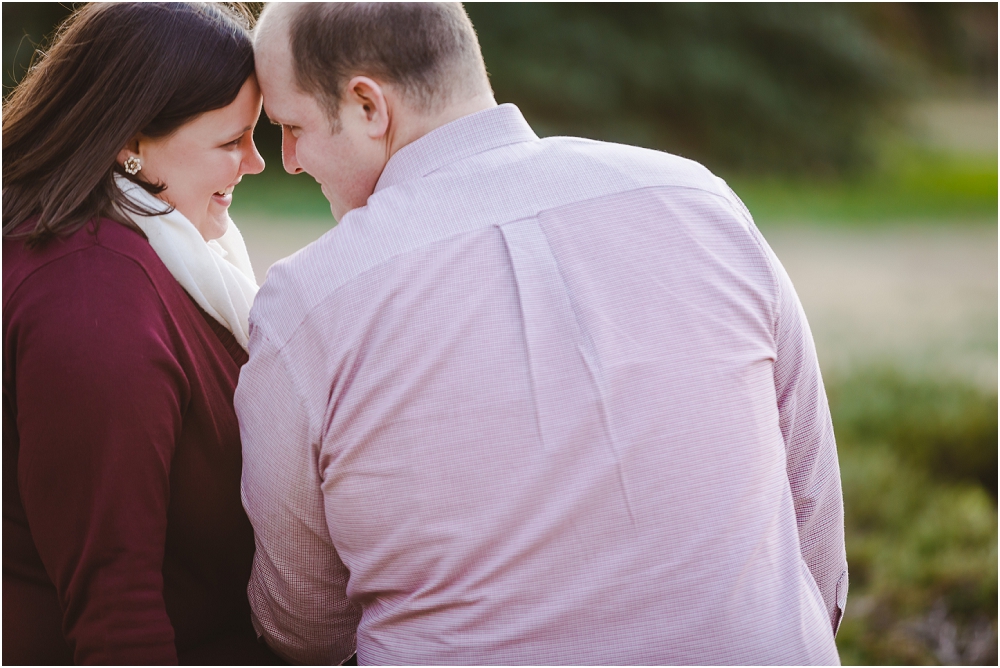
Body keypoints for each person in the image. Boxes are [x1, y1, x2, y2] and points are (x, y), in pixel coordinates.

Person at [240, 2, 848, 664]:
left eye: (290, 127)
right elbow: (812, 522)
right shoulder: (702, 202)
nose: (290, 160)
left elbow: (302, 622)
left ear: (367, 107)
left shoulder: (309, 305)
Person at [2, 2, 280, 664]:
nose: (256, 163)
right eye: (230, 141)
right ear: (128, 140)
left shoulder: (157, 251)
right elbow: (113, 606)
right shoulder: (92, 298)